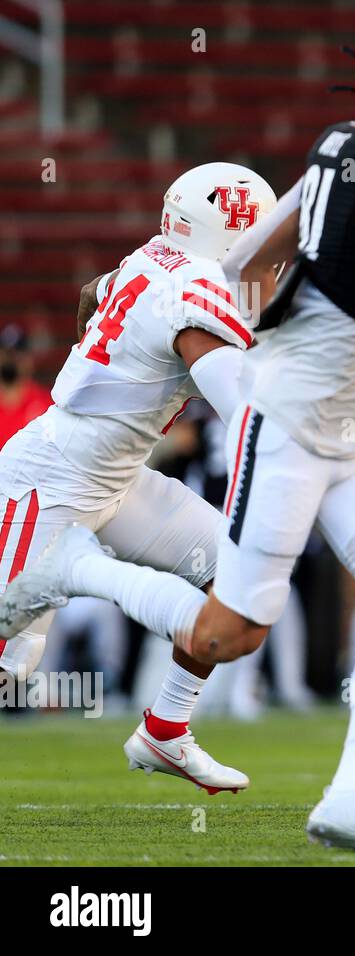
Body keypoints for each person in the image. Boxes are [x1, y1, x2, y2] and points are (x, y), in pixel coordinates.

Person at [0, 7, 355, 852]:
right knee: (48, 654)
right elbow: (247, 380)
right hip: (60, 482)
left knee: (337, 595)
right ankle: (98, 612)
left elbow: (150, 282)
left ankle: (204, 740)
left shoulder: (187, 245)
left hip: (129, 471)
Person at [0, 161, 276, 793]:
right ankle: (72, 574)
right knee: (11, 666)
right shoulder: (198, 294)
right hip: (48, 480)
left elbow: (92, 294)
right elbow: (246, 416)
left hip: (118, 482)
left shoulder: (155, 256)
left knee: (241, 585)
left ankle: (165, 729)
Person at [0, 325, 52, 449]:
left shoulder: (46, 405)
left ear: (29, 359)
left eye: (16, 354)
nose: (10, 360)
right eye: (7, 354)